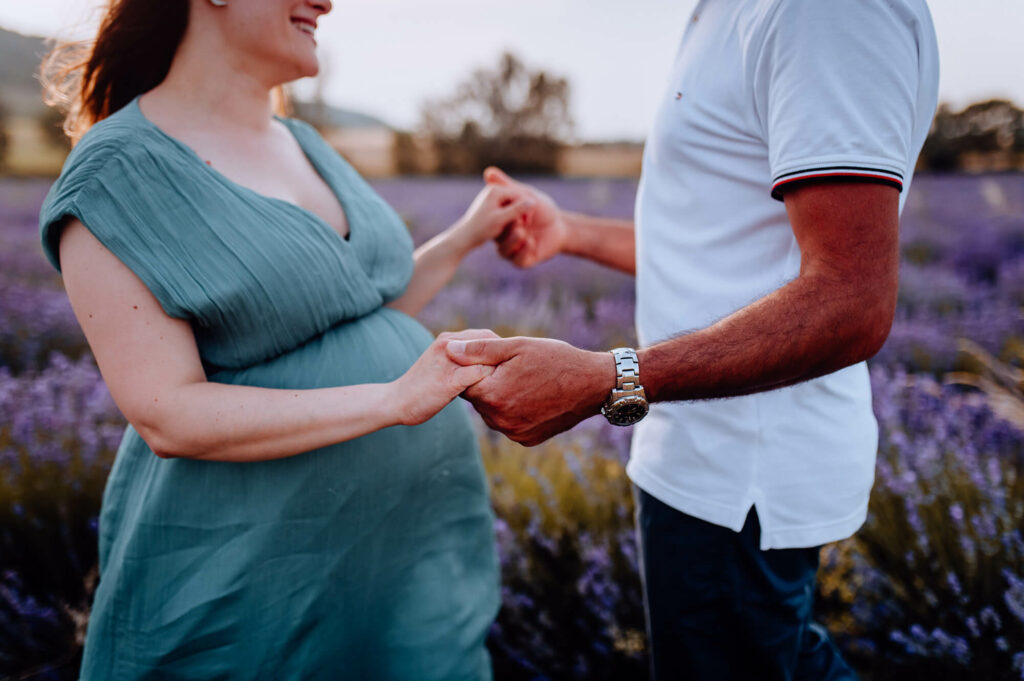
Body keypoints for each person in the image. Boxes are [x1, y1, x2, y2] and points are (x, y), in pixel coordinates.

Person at [446, 1, 940, 679]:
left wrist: (608, 378)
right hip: (703, 466)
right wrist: (572, 233)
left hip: (739, 483)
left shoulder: (825, 11)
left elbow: (850, 299)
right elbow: (713, 242)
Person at [37, 0, 527, 678]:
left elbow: (349, 310)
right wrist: (392, 400)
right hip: (253, 575)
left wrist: (466, 235)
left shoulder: (305, 143)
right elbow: (168, 413)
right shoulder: (115, 174)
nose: (328, 1)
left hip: (402, 556)